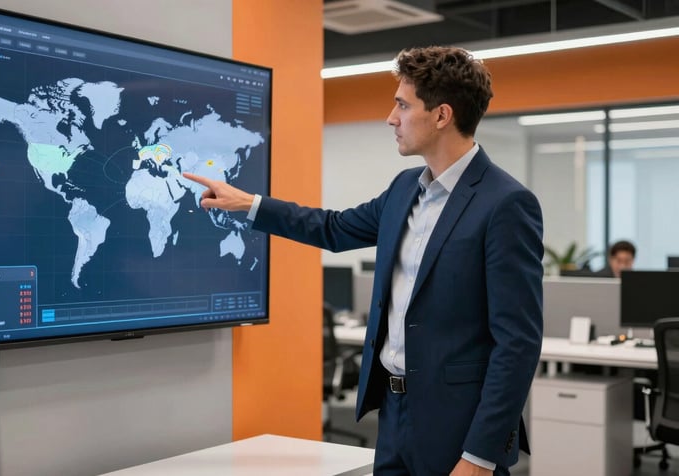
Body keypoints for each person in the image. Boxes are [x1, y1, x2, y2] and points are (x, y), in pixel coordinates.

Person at [184, 46, 543, 476]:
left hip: (458, 426)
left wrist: (479, 457)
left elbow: (518, 344)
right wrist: (249, 204)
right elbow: (333, 228)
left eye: (402, 104)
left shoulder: (505, 203)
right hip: (393, 415)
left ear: (442, 115)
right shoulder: (404, 188)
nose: (391, 118)